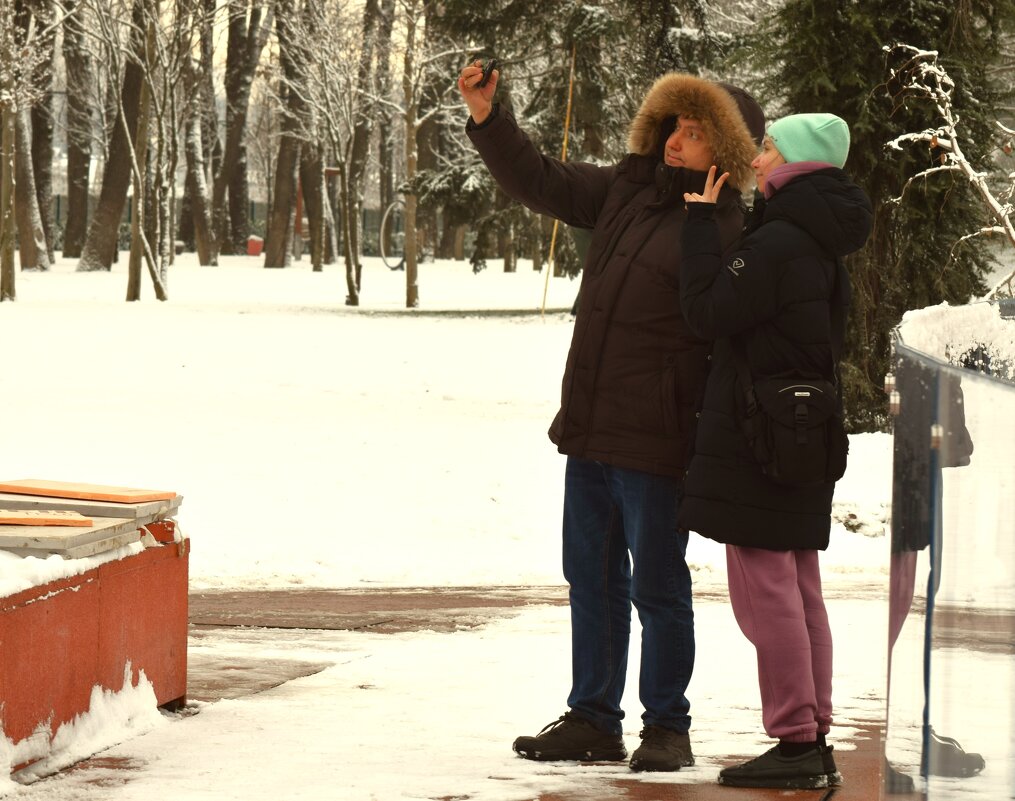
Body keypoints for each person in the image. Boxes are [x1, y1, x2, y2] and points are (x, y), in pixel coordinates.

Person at [457, 61, 764, 772]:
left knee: (658, 585)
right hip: (592, 425)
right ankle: (593, 717)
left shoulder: (726, 228)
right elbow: (541, 179)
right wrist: (488, 117)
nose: (675, 142)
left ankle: (667, 725)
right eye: (673, 127)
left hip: (658, 436)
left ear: (725, 150)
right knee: (590, 578)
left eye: (694, 133)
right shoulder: (627, 190)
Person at [678, 113, 873, 788]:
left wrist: (700, 225)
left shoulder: (778, 240)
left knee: (767, 593)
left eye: (768, 147)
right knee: (798, 587)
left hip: (759, 433)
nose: (757, 158)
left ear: (794, 161)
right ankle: (810, 733)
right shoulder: (818, 237)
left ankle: (794, 740)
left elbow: (705, 311)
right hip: (801, 432)